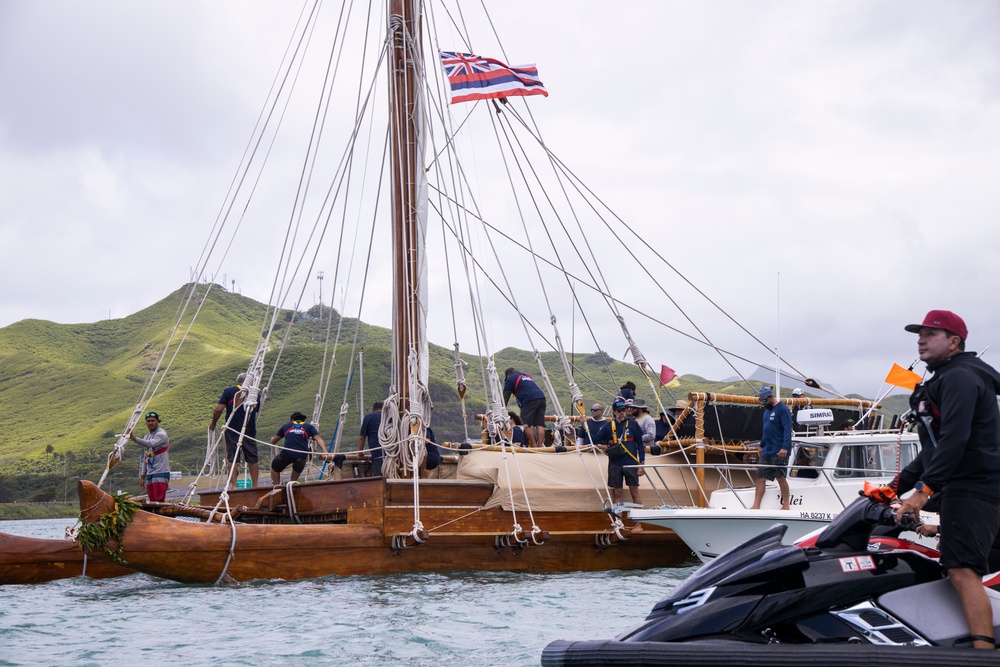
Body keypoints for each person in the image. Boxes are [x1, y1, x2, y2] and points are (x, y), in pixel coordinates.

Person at [894, 310, 1000, 650]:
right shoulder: (947, 378)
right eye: (919, 334)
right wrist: (894, 487)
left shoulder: (959, 378)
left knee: (962, 571)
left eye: (930, 334)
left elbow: (956, 439)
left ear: (954, 341)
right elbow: (932, 451)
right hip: (964, 487)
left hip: (975, 487)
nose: (921, 340)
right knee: (954, 567)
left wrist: (923, 492)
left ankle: (983, 654)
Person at [210, 372, 261, 489]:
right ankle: (255, 486)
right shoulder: (254, 392)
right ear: (249, 381)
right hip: (249, 430)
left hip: (232, 430)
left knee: (232, 457)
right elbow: (256, 408)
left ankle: (234, 486)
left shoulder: (229, 391)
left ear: (238, 381)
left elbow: (218, 410)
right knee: (252, 457)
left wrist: (213, 423)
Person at [749, 385, 792, 510]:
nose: (762, 403)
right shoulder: (766, 410)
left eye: (763, 400)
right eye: (760, 401)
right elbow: (766, 430)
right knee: (760, 476)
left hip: (779, 450)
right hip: (767, 449)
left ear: (770, 397)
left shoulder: (782, 409)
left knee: (780, 476)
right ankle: (756, 504)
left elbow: (787, 430)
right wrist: (761, 445)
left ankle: (786, 505)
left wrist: (785, 447)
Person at [605, 401, 646, 507]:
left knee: (634, 493)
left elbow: (640, 444)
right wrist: (583, 424)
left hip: (631, 463)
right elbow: (595, 439)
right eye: (619, 411)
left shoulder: (632, 424)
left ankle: (638, 523)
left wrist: (641, 463)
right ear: (614, 412)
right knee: (618, 494)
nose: (622, 412)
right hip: (615, 464)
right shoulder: (608, 426)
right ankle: (618, 522)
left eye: (624, 410)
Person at [269, 412, 324, 485]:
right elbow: (318, 438)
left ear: (292, 419)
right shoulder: (309, 427)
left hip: (288, 453)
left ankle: (277, 487)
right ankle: (291, 485)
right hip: (302, 455)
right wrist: (324, 451)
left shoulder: (286, 426)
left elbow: (274, 441)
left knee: (275, 468)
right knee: (297, 468)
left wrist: (272, 440)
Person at [127, 411, 170, 502]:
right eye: (148, 421)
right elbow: (145, 457)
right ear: (146, 422)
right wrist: (142, 476)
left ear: (158, 421)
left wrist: (134, 438)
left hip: (160, 472)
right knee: (152, 500)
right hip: (150, 472)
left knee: (159, 500)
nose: (150, 423)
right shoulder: (147, 436)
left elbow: (150, 444)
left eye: (153, 421)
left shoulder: (161, 434)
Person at [503, 368, 546, 447]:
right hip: (542, 398)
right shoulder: (527, 376)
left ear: (508, 375)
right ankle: (540, 446)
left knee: (525, 424)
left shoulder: (510, 379)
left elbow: (505, 397)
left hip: (529, 399)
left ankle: (534, 446)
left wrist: (501, 410)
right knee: (539, 424)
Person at [358, 401, 384, 476]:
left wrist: (360, 452)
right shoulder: (390, 416)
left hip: (377, 454)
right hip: (392, 453)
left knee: (380, 478)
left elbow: (362, 437)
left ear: (373, 410)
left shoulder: (369, 417)